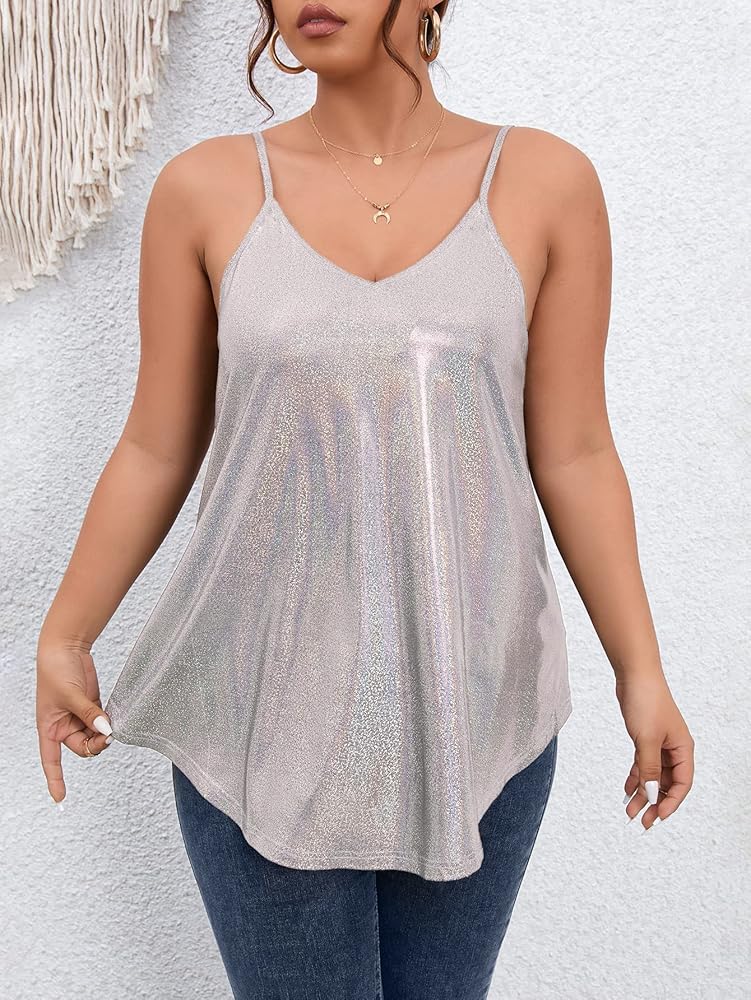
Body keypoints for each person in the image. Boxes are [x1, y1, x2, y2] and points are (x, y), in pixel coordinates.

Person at [35, 2, 695, 997]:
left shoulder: (545, 183)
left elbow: (575, 451)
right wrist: (66, 632)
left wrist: (638, 670)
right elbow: (155, 444)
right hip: (259, 712)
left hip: (477, 707)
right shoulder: (204, 190)